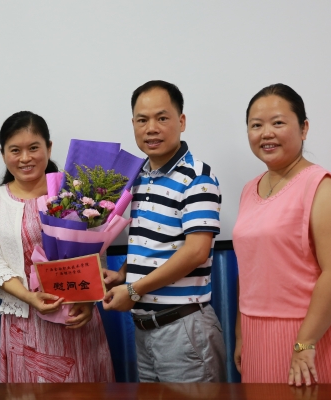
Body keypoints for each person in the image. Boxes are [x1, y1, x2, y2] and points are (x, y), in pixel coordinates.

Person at [232, 83, 331, 386]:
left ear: (304, 128)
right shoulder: (249, 189)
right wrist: (241, 333)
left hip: (315, 337)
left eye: (278, 123)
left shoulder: (322, 186)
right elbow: (250, 267)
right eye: (256, 125)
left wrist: (305, 343)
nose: (266, 133)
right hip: (258, 336)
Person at [103, 80, 226, 382]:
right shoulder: (140, 177)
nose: (151, 129)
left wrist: (134, 289)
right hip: (145, 331)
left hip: (183, 330)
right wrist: (122, 274)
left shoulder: (197, 177)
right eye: (142, 120)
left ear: (181, 122)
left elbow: (195, 252)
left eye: (162, 118)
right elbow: (153, 244)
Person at [0, 111, 115, 383]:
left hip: (76, 315)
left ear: (49, 148)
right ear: (3, 154)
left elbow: (97, 253)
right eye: (15, 150)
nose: (25, 158)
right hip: (25, 320)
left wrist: (88, 301)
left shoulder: (73, 193)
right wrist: (30, 298)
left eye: (33, 148)